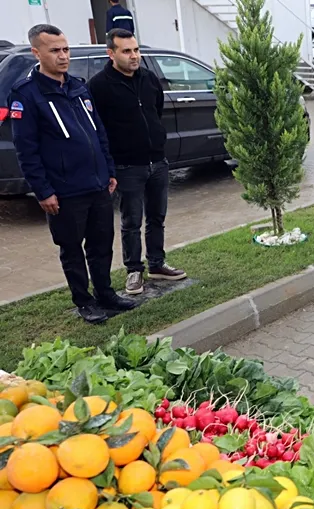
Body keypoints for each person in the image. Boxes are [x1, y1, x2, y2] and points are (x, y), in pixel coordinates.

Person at [8, 24, 137, 324]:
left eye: (65, 49)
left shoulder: (78, 86)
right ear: (36, 53)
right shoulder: (27, 95)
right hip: (64, 190)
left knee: (101, 243)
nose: (63, 56)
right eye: (55, 51)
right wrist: (43, 190)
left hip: (97, 183)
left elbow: (98, 131)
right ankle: (84, 300)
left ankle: (106, 293)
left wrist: (108, 169)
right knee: (72, 249)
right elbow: (26, 150)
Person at [88, 28, 186, 296]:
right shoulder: (99, 86)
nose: (134, 56)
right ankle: (134, 270)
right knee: (131, 220)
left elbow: (157, 109)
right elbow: (98, 128)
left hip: (157, 161)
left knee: (157, 217)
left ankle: (157, 263)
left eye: (136, 50)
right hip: (127, 166)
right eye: (127, 51)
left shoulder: (149, 78)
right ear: (111, 53)